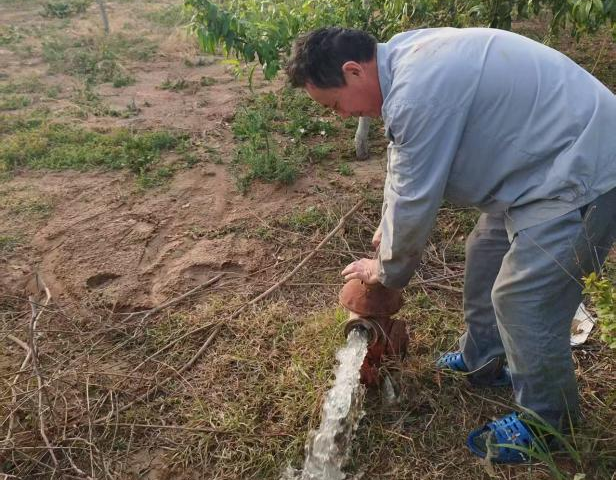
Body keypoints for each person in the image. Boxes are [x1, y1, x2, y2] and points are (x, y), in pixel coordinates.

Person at [285, 26, 616, 463]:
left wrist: (384, 270)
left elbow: (415, 197)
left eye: (334, 104)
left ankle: (549, 423)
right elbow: (403, 162)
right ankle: (485, 359)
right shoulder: (402, 60)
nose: (342, 115)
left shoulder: (415, 92)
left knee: (523, 299)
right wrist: (387, 225)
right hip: (537, 167)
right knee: (484, 256)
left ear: (353, 71)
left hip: (581, 168)